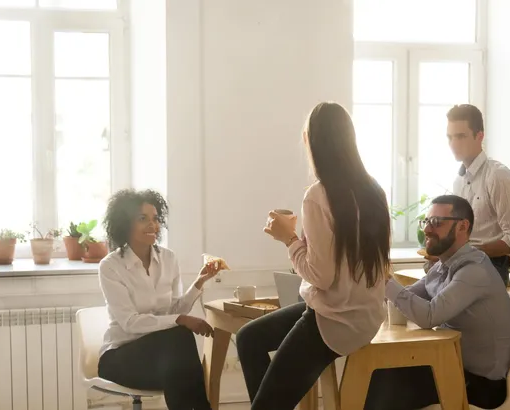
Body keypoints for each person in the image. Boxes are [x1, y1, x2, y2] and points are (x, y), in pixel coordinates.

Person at [236, 102, 391, 410]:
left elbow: (321, 275)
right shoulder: (374, 190)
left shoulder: (318, 195)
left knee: (265, 402)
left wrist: (289, 239)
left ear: (311, 141)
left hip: (333, 320)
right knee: (248, 338)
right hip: (366, 316)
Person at [367, 195, 510, 410]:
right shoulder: (444, 264)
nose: (427, 230)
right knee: (380, 372)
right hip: (455, 367)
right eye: (426, 222)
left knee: (388, 385)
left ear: (462, 227)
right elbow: (410, 296)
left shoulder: (474, 270)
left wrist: (386, 281)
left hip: (483, 386)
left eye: (436, 222)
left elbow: (429, 316)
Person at [97, 189, 223, 410]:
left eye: (155, 219)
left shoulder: (168, 258)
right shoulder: (111, 266)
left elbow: (174, 309)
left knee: (178, 360)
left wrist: (199, 282)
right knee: (180, 343)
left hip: (163, 357)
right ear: (125, 223)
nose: (153, 225)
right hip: (121, 357)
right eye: (143, 219)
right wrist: (180, 320)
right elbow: (130, 323)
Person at [443, 104, 510, 286]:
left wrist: (470, 252)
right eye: (450, 137)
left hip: (491, 268)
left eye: (461, 136)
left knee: (430, 300)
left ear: (480, 136)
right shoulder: (459, 181)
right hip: (463, 266)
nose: (453, 144)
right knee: (412, 290)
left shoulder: (498, 176)